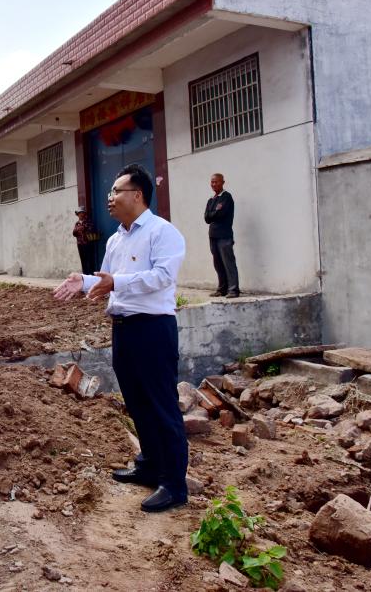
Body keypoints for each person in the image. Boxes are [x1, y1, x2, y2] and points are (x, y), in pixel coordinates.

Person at [53, 163, 188, 512]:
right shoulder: (116, 239)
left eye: (117, 191)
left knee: (161, 405)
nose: (110, 198)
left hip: (153, 329)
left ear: (138, 195)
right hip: (124, 330)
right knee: (137, 402)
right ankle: (149, 466)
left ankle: (174, 484)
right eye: (111, 192)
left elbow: (161, 277)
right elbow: (108, 279)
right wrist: (83, 281)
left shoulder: (163, 233)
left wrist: (116, 283)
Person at [204, 173, 239, 298]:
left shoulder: (226, 197)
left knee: (228, 263)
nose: (214, 184)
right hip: (213, 235)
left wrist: (213, 213)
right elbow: (207, 218)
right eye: (212, 182)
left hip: (224, 236)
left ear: (223, 182)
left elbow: (221, 214)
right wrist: (215, 211)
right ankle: (222, 289)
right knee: (218, 263)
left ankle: (233, 290)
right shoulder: (211, 200)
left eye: (216, 182)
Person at [72, 207, 98, 275]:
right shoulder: (77, 223)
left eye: (82, 213)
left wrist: (84, 228)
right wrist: (77, 230)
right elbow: (74, 233)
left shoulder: (88, 222)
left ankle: (91, 274)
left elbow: (92, 229)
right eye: (79, 213)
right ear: (78, 215)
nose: (81, 214)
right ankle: (85, 274)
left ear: (84, 214)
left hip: (88, 243)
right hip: (80, 244)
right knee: (83, 259)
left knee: (90, 259)